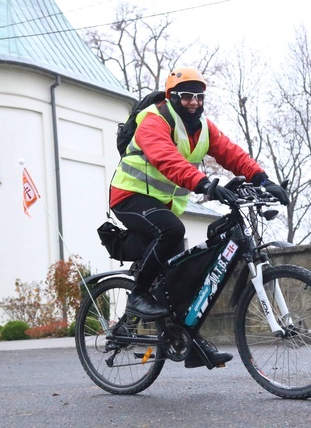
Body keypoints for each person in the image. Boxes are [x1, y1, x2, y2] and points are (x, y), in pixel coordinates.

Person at [109, 67, 289, 369]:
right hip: (130, 196)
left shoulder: (204, 128)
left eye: (198, 96)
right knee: (172, 232)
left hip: (164, 204)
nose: (193, 102)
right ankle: (138, 295)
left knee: (182, 278)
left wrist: (262, 179)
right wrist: (205, 184)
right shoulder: (154, 119)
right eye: (186, 96)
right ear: (172, 97)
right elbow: (167, 158)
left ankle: (188, 342)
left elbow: (232, 154)